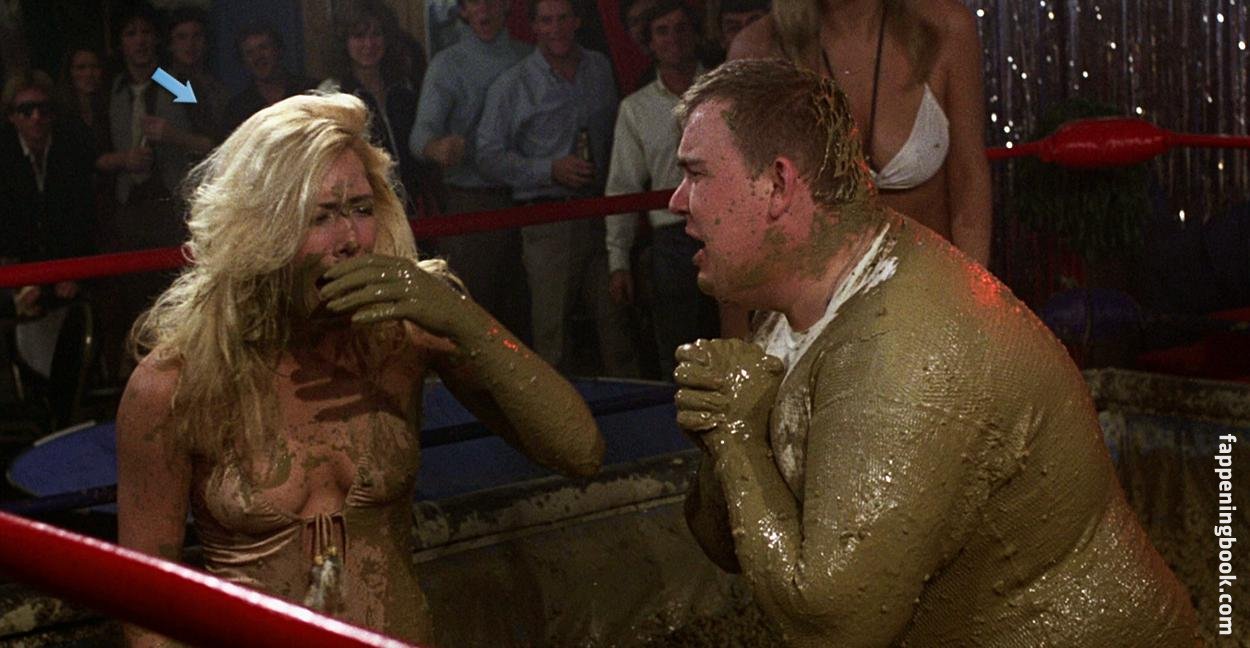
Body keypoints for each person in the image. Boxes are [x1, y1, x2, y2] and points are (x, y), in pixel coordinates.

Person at [671, 59, 1200, 646]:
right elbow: (727, 544)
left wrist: (737, 437)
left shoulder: (903, 347)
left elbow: (834, 628)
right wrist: (729, 433)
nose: (676, 200)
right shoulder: (787, 303)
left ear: (777, 183)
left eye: (696, 174)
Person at [115, 92, 604, 646]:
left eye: (362, 209)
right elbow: (145, 606)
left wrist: (464, 320)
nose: (350, 241)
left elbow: (580, 452)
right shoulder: (178, 383)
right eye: (321, 216)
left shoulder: (403, 338)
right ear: (259, 229)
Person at [721, 0, 991, 339]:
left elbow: (969, 179)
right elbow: (737, 214)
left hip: (926, 308)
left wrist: (972, 310)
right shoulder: (757, 49)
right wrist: (736, 344)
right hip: (805, 328)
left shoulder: (945, 28)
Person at [477, 0, 636, 377]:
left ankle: (635, 405)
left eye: (563, 18)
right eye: (546, 20)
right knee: (553, 336)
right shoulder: (513, 84)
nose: (556, 28)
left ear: (577, 21)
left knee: (618, 324)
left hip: (602, 212)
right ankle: (557, 412)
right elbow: (487, 155)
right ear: (533, 26)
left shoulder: (598, 67)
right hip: (548, 220)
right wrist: (549, 169)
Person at [605, 0, 716, 378]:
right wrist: (618, 261)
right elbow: (623, 185)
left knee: (735, 338)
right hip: (671, 240)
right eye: (662, 31)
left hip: (726, 226)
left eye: (681, 28)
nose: (673, 39)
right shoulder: (636, 109)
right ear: (649, 42)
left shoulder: (724, 91)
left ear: (696, 34)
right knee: (679, 350)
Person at [410, 0, 531, 340]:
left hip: (529, 197)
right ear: (463, 11)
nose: (484, 10)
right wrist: (437, 147)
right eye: (474, 2)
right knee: (475, 316)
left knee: (526, 312)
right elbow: (419, 136)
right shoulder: (448, 64)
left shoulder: (529, 56)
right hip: (473, 201)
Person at [0, 70, 96, 378]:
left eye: (44, 109)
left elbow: (82, 216)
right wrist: (18, 280)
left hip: (65, 269)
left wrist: (73, 269)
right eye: (26, 110)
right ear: (12, 116)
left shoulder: (69, 151)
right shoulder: (4, 157)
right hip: (18, 270)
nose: (36, 117)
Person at [320, 0, 423, 215]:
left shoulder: (404, 87)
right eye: (359, 36)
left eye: (376, 34)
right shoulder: (332, 94)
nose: (369, 44)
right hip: (364, 208)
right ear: (344, 42)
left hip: (415, 207)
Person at [223, 23, 315, 132]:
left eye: (263, 48)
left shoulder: (310, 93)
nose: (258, 57)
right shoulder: (238, 109)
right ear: (243, 61)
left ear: (278, 50)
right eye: (249, 53)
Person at [165, 7, 227, 142]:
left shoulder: (217, 86)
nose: (190, 44)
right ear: (170, 44)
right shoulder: (164, 80)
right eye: (182, 37)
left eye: (197, 36)